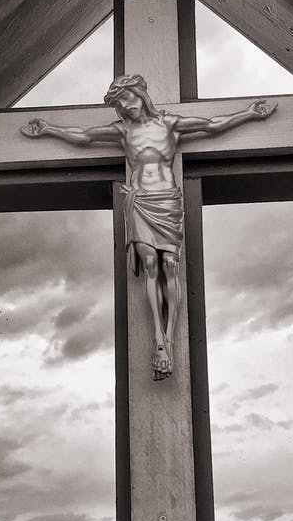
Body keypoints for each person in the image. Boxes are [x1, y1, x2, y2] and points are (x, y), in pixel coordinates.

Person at [21, 74, 276, 381]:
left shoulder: (170, 125)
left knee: (171, 264)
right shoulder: (123, 131)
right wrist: (49, 130)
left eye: (127, 98)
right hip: (140, 202)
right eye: (119, 104)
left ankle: (169, 336)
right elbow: (85, 136)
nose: (125, 107)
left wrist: (249, 113)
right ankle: (159, 338)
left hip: (166, 199)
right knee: (152, 265)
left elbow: (211, 125)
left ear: (141, 95)